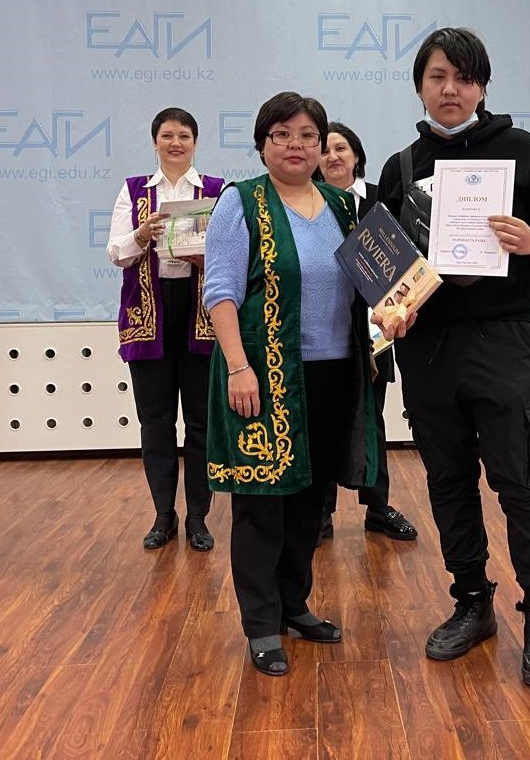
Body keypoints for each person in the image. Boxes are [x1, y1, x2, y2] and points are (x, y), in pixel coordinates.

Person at [378, 28, 530, 687]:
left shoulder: (517, 149)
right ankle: (471, 601)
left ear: (482, 86)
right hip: (427, 351)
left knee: (522, 482)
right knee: (448, 482)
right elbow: (380, 267)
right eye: (437, 76)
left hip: (502, 340)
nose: (450, 89)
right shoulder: (400, 166)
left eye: (463, 78)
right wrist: (390, 307)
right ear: (419, 86)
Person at [202, 92, 410, 677]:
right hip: (263, 376)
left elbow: (385, 283)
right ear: (263, 142)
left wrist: (399, 309)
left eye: (308, 136)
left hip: (335, 373)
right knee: (262, 504)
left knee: (311, 501)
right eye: (283, 134)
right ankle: (261, 623)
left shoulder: (346, 206)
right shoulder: (240, 202)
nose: (296, 145)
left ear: (322, 145)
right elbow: (220, 291)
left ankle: (294, 606)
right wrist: (238, 367)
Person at [107, 108, 224, 552]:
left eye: (184, 136)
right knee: (154, 421)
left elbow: (233, 253)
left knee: (200, 422)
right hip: (148, 314)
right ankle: (163, 514)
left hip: (201, 314)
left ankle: (198, 517)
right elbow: (116, 253)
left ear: (196, 142)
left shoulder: (216, 190)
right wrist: (141, 234)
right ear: (154, 141)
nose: (176, 143)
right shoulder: (134, 190)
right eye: (168, 135)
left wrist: (204, 255)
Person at [316, 121, 418, 544]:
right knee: (322, 422)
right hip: (325, 328)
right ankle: (320, 513)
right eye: (325, 150)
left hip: (376, 328)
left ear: (356, 155)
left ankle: (378, 508)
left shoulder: (380, 199)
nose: (332, 157)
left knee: (372, 420)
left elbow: (404, 265)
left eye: (341, 148)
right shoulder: (309, 203)